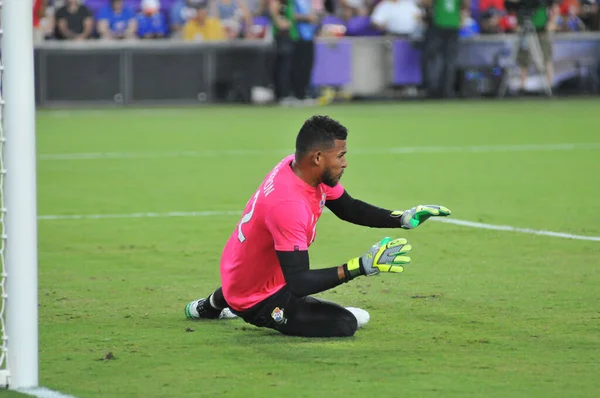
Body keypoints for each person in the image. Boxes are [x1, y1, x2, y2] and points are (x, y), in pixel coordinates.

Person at [184, 115, 451, 338]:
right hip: (258, 296)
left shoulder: (299, 167)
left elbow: (349, 207)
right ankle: (238, 304)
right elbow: (299, 282)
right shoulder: (289, 206)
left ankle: (211, 305)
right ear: (318, 158)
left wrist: (402, 219)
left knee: (255, 280)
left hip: (239, 267)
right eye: (341, 155)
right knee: (347, 323)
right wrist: (360, 266)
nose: (345, 162)